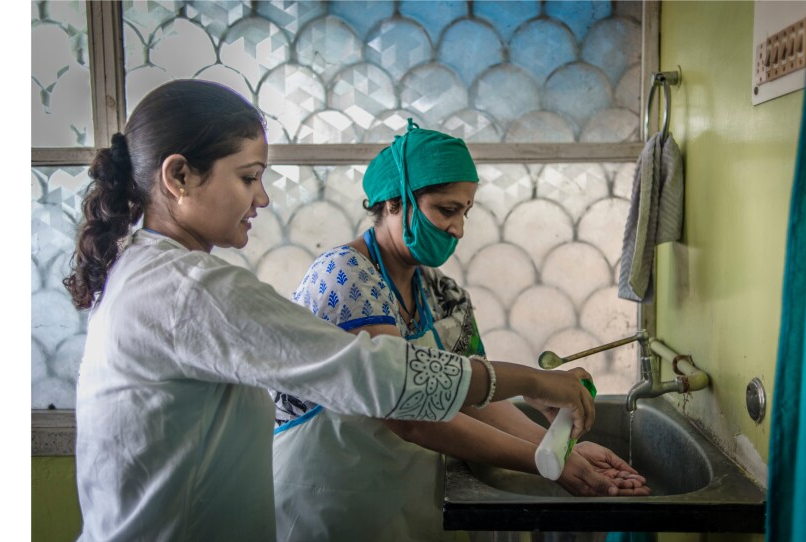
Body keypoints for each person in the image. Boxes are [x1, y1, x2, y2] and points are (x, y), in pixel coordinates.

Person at [62, 80, 597, 542]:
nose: (263, 199)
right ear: (178, 177)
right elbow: (384, 380)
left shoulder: (147, 272)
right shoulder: (190, 289)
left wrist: (547, 439)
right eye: (249, 177)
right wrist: (535, 384)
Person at [271, 121, 650, 542]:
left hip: (404, 504)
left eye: (465, 211)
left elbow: (473, 396)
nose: (459, 229)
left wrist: (558, 449)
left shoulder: (441, 293)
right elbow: (407, 413)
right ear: (394, 202)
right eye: (446, 210)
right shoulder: (343, 276)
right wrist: (546, 463)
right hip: (329, 503)